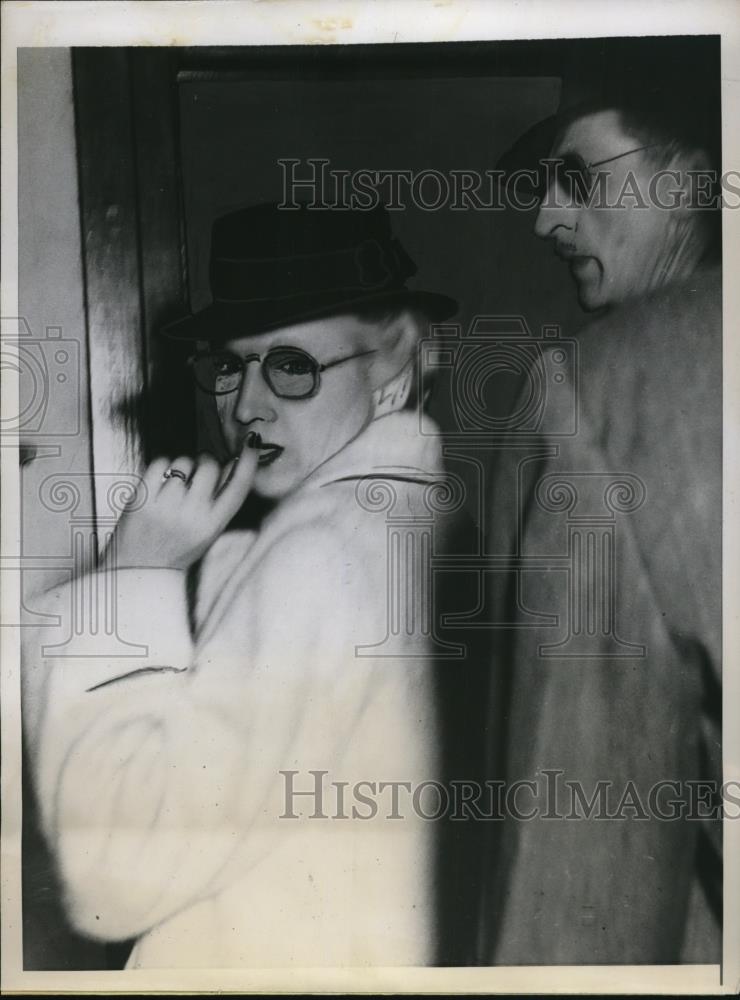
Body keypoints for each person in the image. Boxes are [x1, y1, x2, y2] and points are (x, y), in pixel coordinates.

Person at [21, 202, 458, 968]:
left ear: (393, 361)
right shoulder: (407, 520)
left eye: (292, 364)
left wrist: (134, 575)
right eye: (230, 364)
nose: (247, 405)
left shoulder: (324, 552)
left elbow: (110, 875)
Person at [480, 95, 722, 963]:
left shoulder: (593, 387)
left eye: (578, 179)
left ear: (693, 177)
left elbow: (571, 813)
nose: (547, 217)